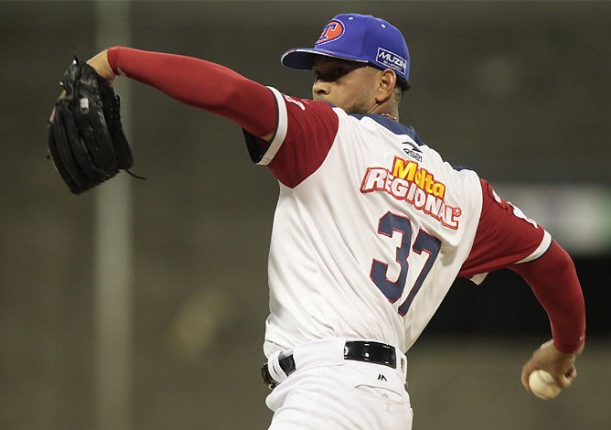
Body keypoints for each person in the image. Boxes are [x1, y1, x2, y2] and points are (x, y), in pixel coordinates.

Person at [81, 13, 585, 429]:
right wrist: (565, 348)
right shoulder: (464, 194)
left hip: (326, 397)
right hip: (385, 406)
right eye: (318, 69)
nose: (320, 82)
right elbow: (552, 262)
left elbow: (232, 94)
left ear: (385, 83)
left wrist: (116, 61)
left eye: (339, 70)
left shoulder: (328, 134)